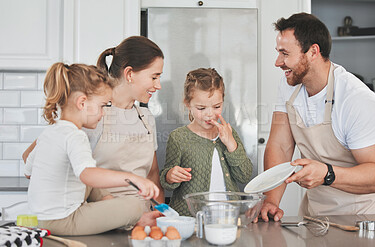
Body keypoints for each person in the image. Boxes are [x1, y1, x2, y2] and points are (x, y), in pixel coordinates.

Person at [257, 12, 375, 222]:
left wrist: (326, 174)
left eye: (285, 53)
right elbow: (280, 146)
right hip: (318, 215)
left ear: (313, 51)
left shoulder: (356, 99)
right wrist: (271, 200)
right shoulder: (289, 84)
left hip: (366, 216)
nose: (278, 62)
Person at [23, 36, 165, 207]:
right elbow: (30, 158)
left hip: (143, 219)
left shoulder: (146, 117)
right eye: (154, 77)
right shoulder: (91, 114)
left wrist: (161, 216)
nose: (158, 85)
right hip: (100, 215)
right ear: (129, 74)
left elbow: (153, 176)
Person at [159, 68, 253, 216]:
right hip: (190, 218)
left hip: (227, 216)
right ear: (187, 104)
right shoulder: (178, 138)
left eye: (217, 107)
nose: (210, 114)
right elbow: (167, 180)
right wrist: (170, 175)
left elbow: (245, 176)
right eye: (201, 108)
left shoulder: (229, 133)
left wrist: (231, 145)